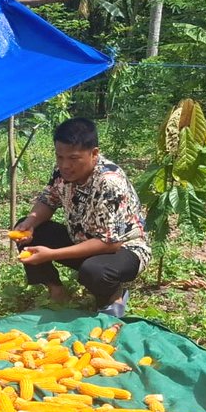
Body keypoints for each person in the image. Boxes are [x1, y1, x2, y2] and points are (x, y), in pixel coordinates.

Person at [13, 117, 149, 318]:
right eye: (60, 157)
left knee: (94, 271)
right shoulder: (62, 173)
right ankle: (56, 291)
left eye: (73, 158)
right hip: (81, 239)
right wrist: (30, 223)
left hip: (123, 250)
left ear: (94, 154)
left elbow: (109, 243)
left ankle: (113, 297)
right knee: (26, 231)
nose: (65, 165)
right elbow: (48, 200)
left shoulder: (109, 183)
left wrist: (51, 254)